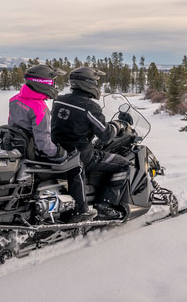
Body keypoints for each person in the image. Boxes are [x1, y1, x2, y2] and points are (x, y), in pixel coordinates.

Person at [51, 67, 130, 221]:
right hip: (83, 155)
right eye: (95, 82)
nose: (97, 85)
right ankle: (105, 205)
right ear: (88, 83)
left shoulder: (59, 100)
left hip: (59, 151)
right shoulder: (89, 107)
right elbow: (106, 135)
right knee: (123, 164)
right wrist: (118, 125)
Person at [4, 64, 66, 161]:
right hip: (33, 155)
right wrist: (59, 152)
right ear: (43, 83)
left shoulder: (15, 100)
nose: (54, 86)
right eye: (52, 82)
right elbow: (43, 144)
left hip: (18, 150)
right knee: (70, 162)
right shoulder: (39, 109)